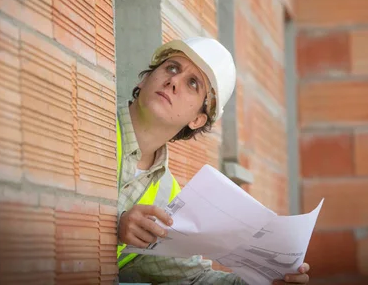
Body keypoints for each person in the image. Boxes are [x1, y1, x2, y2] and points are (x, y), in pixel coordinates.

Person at [116, 37, 310, 284]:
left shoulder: (168, 194)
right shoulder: (93, 115)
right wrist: (114, 225)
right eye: (172, 67)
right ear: (144, 79)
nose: (174, 81)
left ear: (198, 119)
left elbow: (192, 278)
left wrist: (267, 282)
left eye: (192, 83)